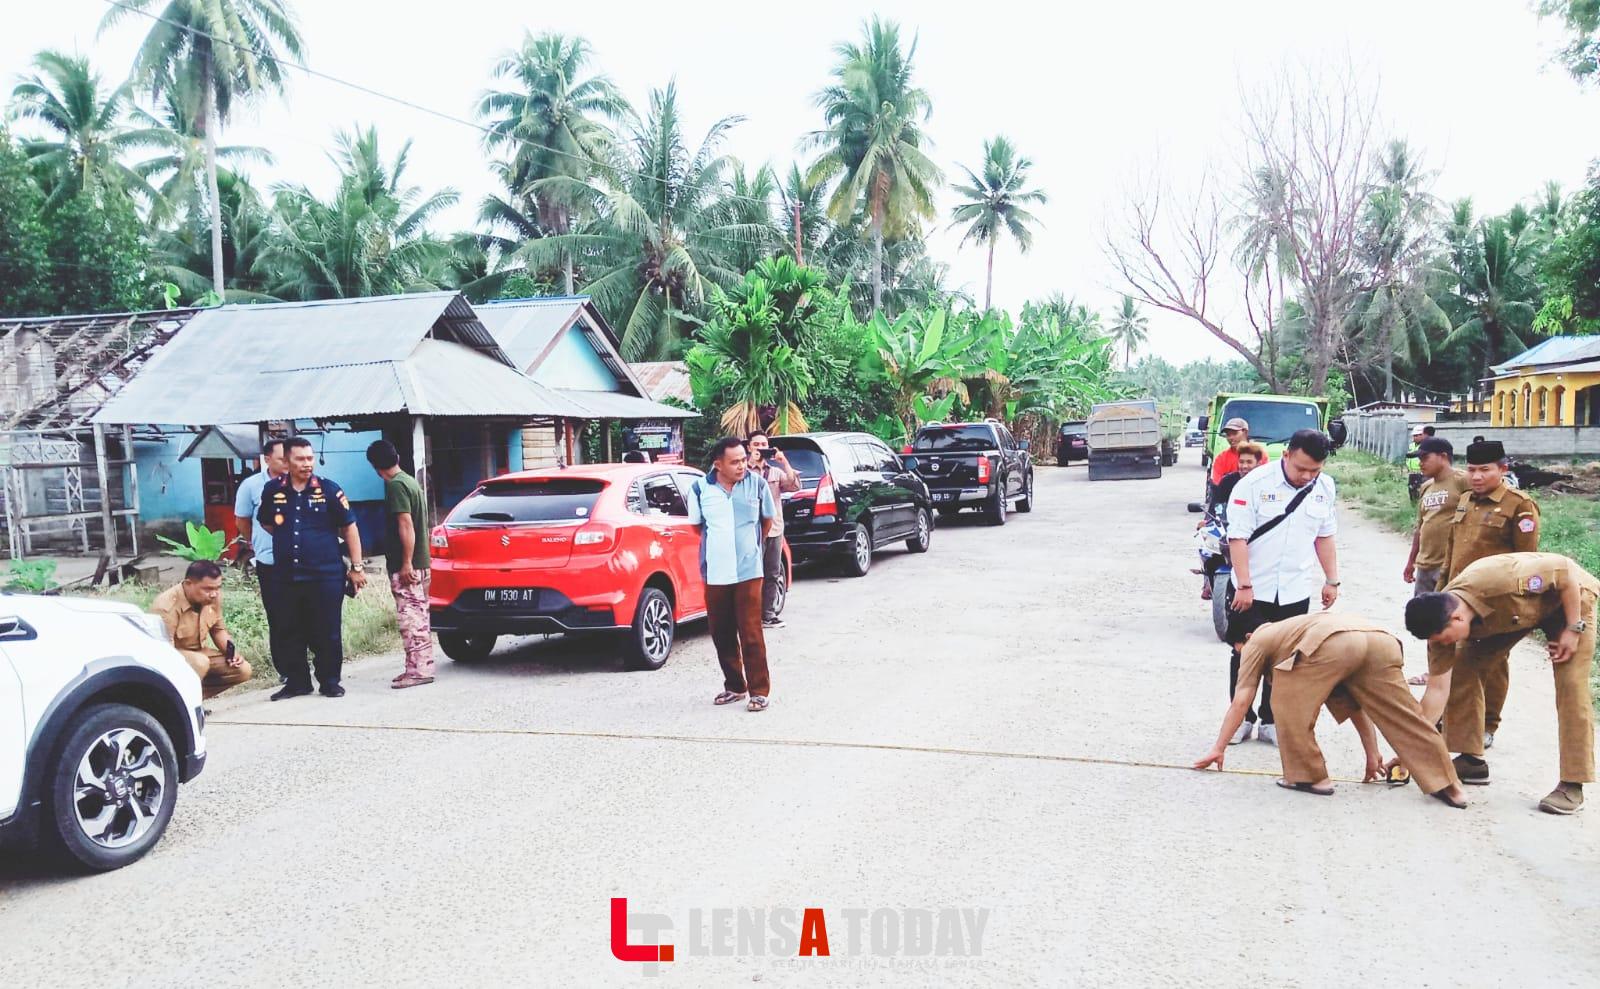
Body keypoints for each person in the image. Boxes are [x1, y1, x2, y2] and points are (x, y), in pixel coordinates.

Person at [1195, 609, 1466, 808]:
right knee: (1408, 717)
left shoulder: (1258, 640)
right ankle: (1448, 785)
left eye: (1238, 649)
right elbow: (1357, 707)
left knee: (1286, 703)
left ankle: (1309, 777)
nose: (1241, 655)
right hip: (1380, 641)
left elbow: (1243, 697)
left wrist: (1218, 748)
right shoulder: (1294, 630)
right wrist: (1373, 756)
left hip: (1332, 642)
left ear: (1247, 636)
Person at [1406, 552, 1598, 815]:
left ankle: (1572, 784)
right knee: (1463, 667)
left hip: (1570, 597)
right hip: (1518, 612)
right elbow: (1437, 691)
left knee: (1571, 687)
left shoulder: (1499, 582)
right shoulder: (1440, 621)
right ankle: (1471, 760)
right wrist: (1410, 751)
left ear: (1458, 619)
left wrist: (1574, 629)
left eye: (1443, 639)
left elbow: (1564, 572)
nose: (1441, 645)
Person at [1224, 429, 1342, 746]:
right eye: (1300, 468)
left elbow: (1324, 535)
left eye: (1314, 470)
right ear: (1286, 455)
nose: (1306, 476)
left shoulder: (1325, 487)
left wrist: (1331, 579)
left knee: (1286, 660)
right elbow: (1237, 538)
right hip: (1252, 589)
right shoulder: (1253, 484)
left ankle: (1271, 720)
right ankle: (1241, 719)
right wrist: (1244, 584)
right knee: (1246, 653)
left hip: (1294, 589)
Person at [1442, 439, 1539, 751]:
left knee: (1492, 665)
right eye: (1471, 470)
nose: (1477, 476)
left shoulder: (1519, 506)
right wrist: (1441, 591)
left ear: (1502, 469)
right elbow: (1452, 551)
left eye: (1485, 470)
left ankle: (1488, 724)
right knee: (1457, 658)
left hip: (1495, 604)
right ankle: (1456, 717)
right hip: (1457, 598)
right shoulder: (1465, 500)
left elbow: (1527, 561)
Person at [258, 436, 367, 700]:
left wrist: (357, 566)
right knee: (289, 629)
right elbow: (267, 523)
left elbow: (349, 527)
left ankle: (330, 681)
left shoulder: (329, 490)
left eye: (310, 458)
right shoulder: (273, 490)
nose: (307, 464)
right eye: (300, 459)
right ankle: (297, 682)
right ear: (286, 461)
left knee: (326, 630)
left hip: (325, 575)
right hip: (286, 575)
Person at [685, 437, 776, 712]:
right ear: (718, 464)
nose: (742, 465)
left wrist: (749, 548)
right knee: (721, 631)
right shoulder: (700, 489)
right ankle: (735, 686)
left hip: (749, 571)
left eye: (743, 459)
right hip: (715, 573)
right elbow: (697, 527)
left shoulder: (757, 484)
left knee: (751, 631)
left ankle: (759, 691)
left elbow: (767, 521)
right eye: (734, 461)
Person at [366, 439, 434, 689]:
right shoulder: (408, 480)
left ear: (375, 465)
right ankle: (417, 667)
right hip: (420, 562)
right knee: (419, 615)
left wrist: (406, 563)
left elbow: (405, 524)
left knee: (411, 619)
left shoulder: (395, 486)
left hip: (409, 565)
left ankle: (419, 671)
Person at [149, 560, 253, 701]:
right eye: (208, 589)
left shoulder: (213, 597)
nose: (214, 594)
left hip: (199, 653)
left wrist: (232, 653)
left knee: (243, 670)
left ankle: (192, 700)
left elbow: (218, 630)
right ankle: (173, 701)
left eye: (217, 588)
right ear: (188, 584)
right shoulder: (166, 606)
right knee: (200, 663)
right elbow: (165, 652)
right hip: (172, 653)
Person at [234, 439, 288, 683]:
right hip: (269, 560)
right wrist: (255, 542)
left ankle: (308, 665)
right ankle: (285, 670)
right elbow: (242, 520)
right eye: (281, 459)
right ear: (266, 459)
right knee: (278, 616)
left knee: (304, 615)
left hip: (300, 561)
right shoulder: (251, 486)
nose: (287, 463)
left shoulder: (301, 483)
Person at [1198, 441, 1264, 601]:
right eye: (1241, 461)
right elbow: (1216, 505)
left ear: (1258, 463)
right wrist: (1207, 520)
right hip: (1229, 527)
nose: (1244, 466)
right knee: (1207, 547)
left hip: (1257, 531)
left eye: (1249, 462)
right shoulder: (1228, 481)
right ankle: (1208, 580)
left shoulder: (1265, 485)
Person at [747, 431, 799, 629]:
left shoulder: (775, 472)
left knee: (772, 572)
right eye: (756, 444)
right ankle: (750, 615)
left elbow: (793, 485)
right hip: (751, 531)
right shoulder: (743, 471)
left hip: (775, 529)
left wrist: (784, 461)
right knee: (752, 574)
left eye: (764, 444)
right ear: (749, 447)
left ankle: (768, 614)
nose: (760, 448)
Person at [1209, 417, 1268, 487]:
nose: (1231, 438)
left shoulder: (1260, 454)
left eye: (1234, 433)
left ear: (1245, 432)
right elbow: (1217, 483)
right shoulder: (1221, 458)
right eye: (1228, 435)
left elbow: (1266, 480)